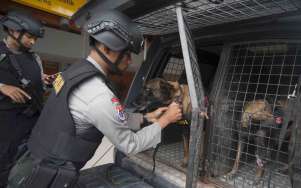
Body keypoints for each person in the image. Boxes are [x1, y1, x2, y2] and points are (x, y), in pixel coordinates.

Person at [7, 9, 182, 188]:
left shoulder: (74, 70)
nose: (130, 61)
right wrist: (165, 120)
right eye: (127, 53)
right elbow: (130, 145)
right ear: (106, 48)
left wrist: (146, 118)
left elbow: (106, 116)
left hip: (29, 163)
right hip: (43, 179)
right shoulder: (99, 93)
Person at [0, 11, 54, 188]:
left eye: (35, 39)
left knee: (27, 164)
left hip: (32, 122)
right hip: (6, 125)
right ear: (14, 31)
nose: (33, 42)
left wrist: (44, 80)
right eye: (30, 37)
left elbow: (35, 81)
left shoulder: (34, 57)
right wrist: (2, 87)